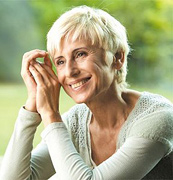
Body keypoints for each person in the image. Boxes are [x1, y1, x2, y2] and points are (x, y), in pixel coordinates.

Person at [0, 5, 173, 180]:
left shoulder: (157, 118)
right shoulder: (75, 122)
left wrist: (50, 115)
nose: (69, 71)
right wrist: (32, 106)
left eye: (80, 54)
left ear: (118, 58)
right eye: (60, 61)